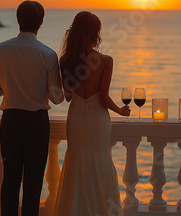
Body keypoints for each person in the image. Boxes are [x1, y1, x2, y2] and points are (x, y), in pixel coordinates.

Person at [0, 0, 64, 216]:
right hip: (37, 123)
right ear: (41, 22)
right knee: (34, 180)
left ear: (17, 20)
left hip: (10, 121)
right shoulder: (48, 54)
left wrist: (11, 89)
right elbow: (57, 98)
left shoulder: (0, 49)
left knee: (9, 178)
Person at [54, 11, 130, 216]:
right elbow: (103, 98)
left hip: (76, 118)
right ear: (96, 34)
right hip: (98, 121)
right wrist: (121, 111)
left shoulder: (65, 60)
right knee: (100, 163)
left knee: (77, 164)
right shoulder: (105, 60)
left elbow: (68, 97)